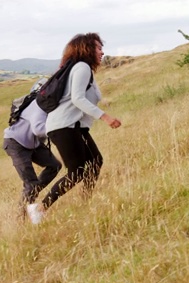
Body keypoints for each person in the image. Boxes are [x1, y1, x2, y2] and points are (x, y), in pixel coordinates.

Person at [26, 32, 122, 224]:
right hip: (64, 127)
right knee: (76, 170)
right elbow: (78, 99)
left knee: (95, 161)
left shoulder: (83, 69)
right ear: (87, 48)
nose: (102, 52)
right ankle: (40, 208)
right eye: (98, 48)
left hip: (74, 127)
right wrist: (105, 117)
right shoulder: (82, 67)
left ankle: (86, 203)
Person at [3, 78, 62, 220]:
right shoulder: (37, 105)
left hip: (32, 144)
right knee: (31, 183)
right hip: (16, 144)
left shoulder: (46, 105)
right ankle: (22, 218)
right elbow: (39, 129)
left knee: (54, 166)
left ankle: (32, 195)